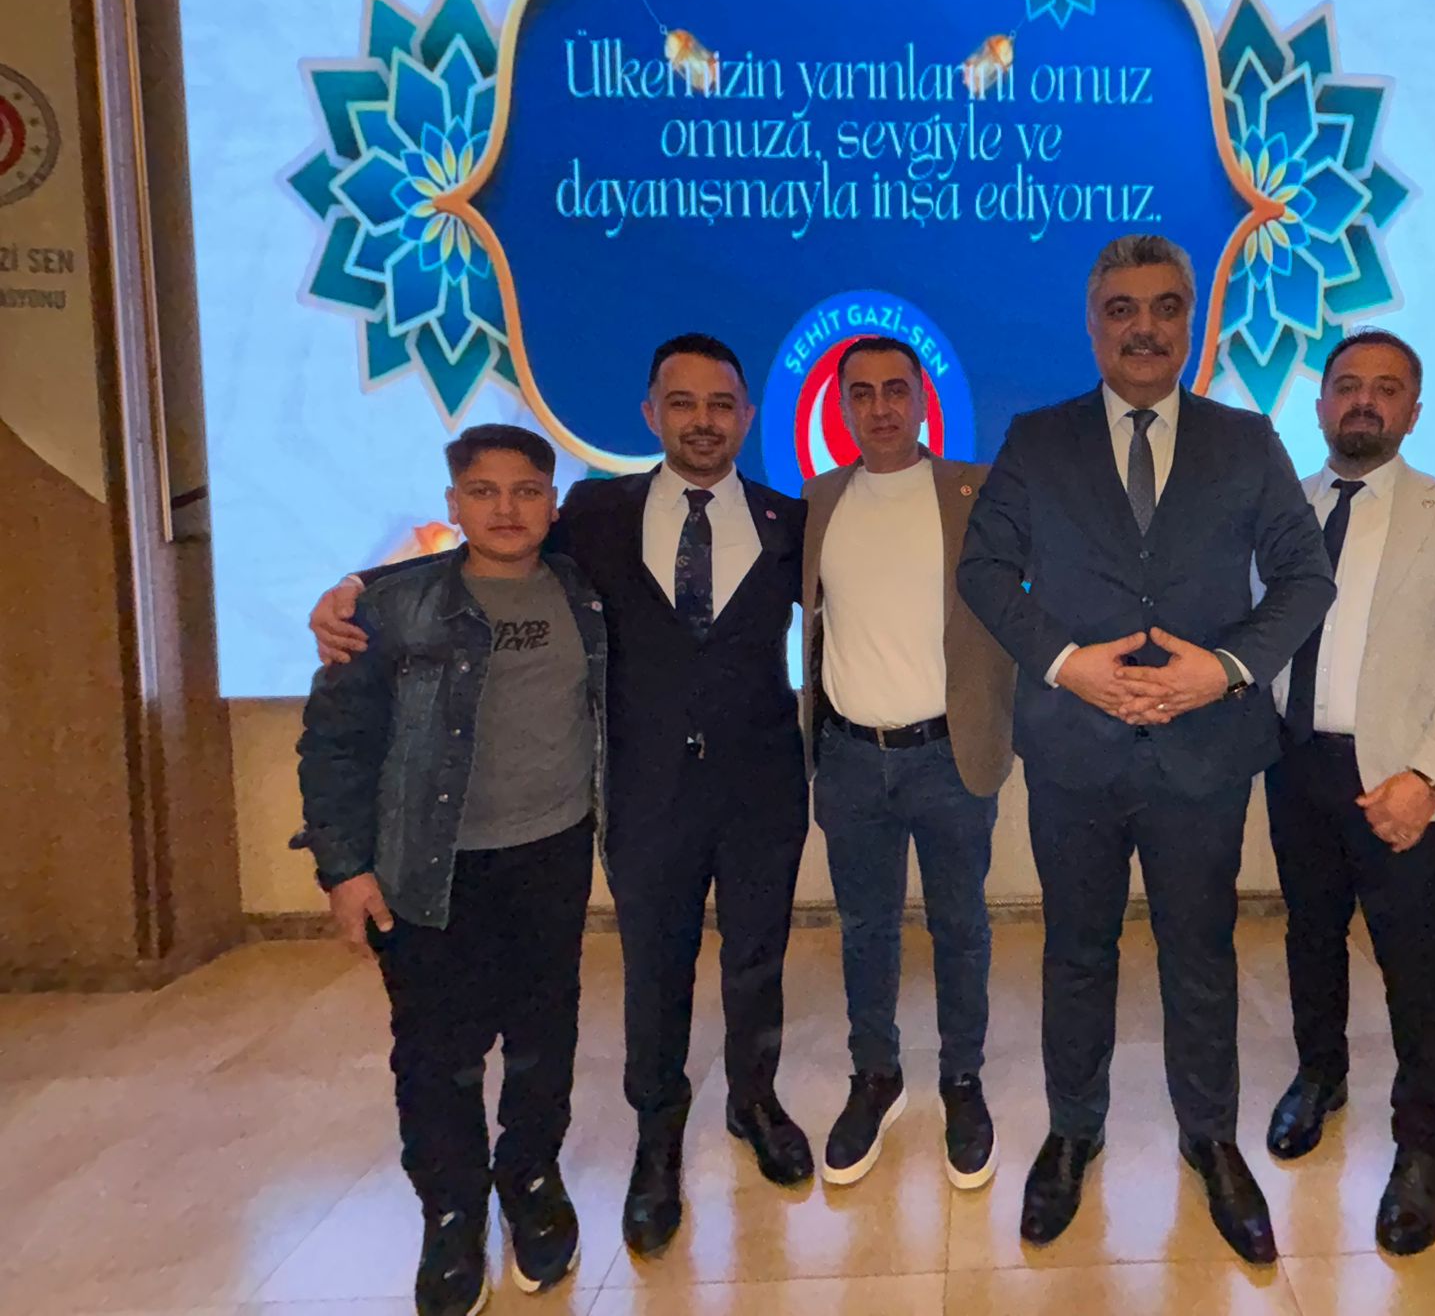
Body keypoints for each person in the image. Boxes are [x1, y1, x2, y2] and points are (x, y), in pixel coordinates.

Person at [310, 334, 814, 1263]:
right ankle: (656, 1140)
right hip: (645, 794)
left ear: (748, 416)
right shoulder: (593, 512)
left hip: (763, 791)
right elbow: (477, 558)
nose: (702, 421)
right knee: (655, 970)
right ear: (650, 414)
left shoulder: (791, 520)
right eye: (681, 402)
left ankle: (755, 1102)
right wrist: (353, 589)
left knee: (756, 961)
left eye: (720, 404)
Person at [957, 234, 1336, 1264]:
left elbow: (1305, 578)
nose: (1144, 327)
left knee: (1200, 954)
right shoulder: (1037, 440)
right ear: (1092, 325)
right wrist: (1064, 662)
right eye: (1121, 309)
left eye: (1166, 307)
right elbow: (984, 570)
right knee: (1076, 952)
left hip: (1202, 753)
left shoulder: (1245, 440)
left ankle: (1209, 1138)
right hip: (1074, 751)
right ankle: (1071, 1134)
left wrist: (1226, 668)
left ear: (1190, 322)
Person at [296, 423, 603, 1316]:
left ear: (552, 503)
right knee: (437, 1052)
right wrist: (344, 868)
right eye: (484, 492)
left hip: (551, 853)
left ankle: (532, 1179)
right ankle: (452, 1213)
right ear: (453, 505)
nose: (506, 509)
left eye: (526, 491)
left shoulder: (582, 592)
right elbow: (336, 744)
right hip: (429, 867)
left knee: (544, 1036)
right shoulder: (395, 608)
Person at [1262, 330, 1435, 1256]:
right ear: (1321, 404)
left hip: (1399, 782)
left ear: (1413, 411)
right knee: (1309, 936)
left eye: (1387, 388)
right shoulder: (1281, 511)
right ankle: (1319, 1075)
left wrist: (1429, 778)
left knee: (1415, 966)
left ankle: (1423, 1146)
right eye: (1348, 385)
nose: (1364, 400)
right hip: (1295, 765)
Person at [799, 335, 1016, 1190]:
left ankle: (962, 1080)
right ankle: (875, 1076)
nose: (881, 407)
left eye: (897, 389)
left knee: (961, 926)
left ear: (923, 399)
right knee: (865, 928)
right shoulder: (818, 500)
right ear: (843, 406)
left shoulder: (976, 492)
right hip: (852, 759)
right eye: (862, 393)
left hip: (948, 756)